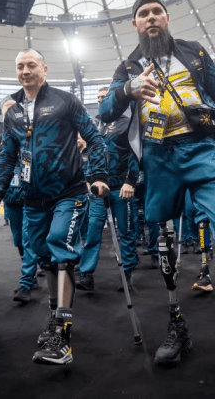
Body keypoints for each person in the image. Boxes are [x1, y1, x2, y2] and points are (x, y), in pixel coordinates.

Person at [99, 0, 215, 376]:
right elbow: (105, 112)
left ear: (167, 18)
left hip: (201, 150)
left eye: (157, 12)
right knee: (164, 249)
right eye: (143, 14)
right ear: (134, 24)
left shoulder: (194, 51)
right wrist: (128, 89)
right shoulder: (128, 66)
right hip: (157, 158)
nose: (151, 18)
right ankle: (176, 325)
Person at [0, 49, 108, 366]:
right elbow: (8, 156)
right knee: (42, 255)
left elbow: (94, 138)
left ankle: (63, 336)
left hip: (70, 192)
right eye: (20, 66)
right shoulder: (13, 114)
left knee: (61, 249)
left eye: (31, 65)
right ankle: (55, 318)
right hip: (32, 198)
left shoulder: (65, 101)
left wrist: (100, 175)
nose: (25, 70)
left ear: (45, 69)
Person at [76, 87, 138, 292]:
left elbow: (136, 155)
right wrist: (87, 179)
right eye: (98, 98)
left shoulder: (129, 123)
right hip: (97, 189)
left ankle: (127, 273)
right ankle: (86, 275)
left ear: (113, 100)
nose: (101, 101)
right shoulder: (93, 127)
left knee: (126, 231)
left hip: (121, 187)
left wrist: (130, 180)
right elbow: (90, 157)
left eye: (104, 97)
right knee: (92, 230)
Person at [0, 98, 38, 303]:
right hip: (11, 199)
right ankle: (31, 271)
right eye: (6, 111)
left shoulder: (32, 136)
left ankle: (26, 282)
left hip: (32, 197)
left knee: (28, 237)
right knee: (18, 239)